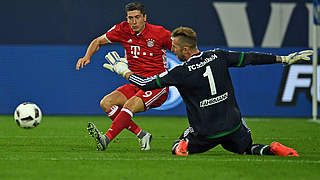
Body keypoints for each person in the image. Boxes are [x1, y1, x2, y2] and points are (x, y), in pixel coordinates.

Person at [102, 26, 313, 156]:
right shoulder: (218, 55)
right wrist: (283, 59)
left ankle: (182, 148)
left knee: (177, 144)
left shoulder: (180, 72)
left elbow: (146, 84)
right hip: (233, 126)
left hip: (205, 132)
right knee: (247, 149)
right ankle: (270, 149)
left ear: (185, 50)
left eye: (174, 47)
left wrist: (124, 72)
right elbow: (250, 58)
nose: (172, 49)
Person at [76, 2, 172, 151]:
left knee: (129, 106)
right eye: (130, 18)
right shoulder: (122, 29)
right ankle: (142, 135)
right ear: (126, 19)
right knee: (106, 103)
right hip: (136, 83)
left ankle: (106, 139)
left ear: (145, 17)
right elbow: (98, 41)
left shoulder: (159, 33)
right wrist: (87, 56)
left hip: (156, 84)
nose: (134, 22)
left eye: (137, 17)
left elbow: (180, 49)